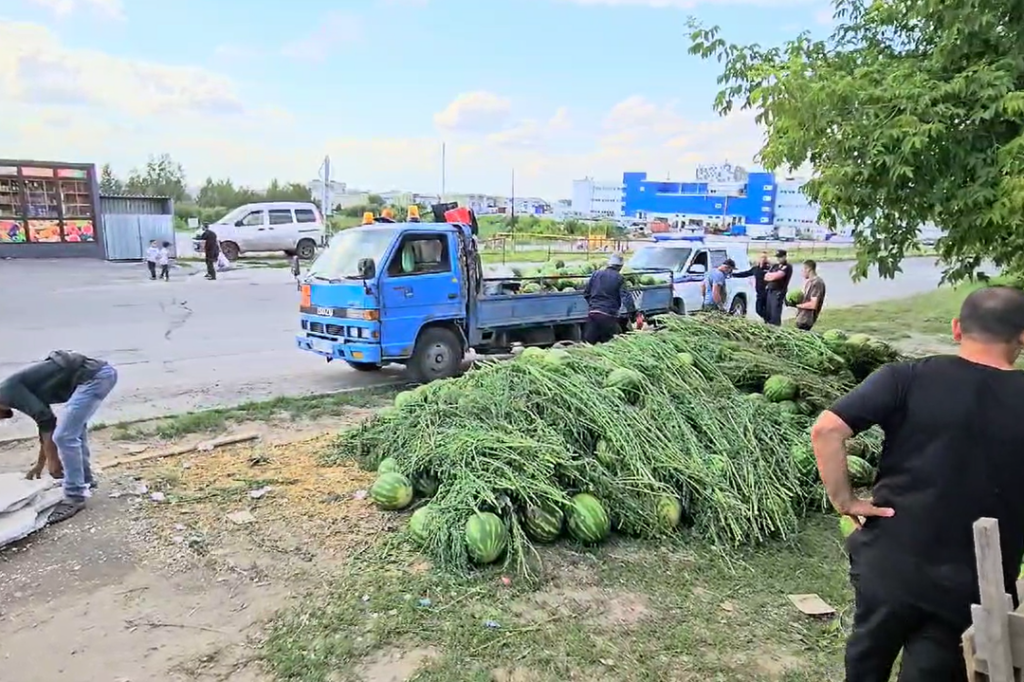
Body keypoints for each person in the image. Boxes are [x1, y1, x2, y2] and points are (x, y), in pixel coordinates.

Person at [810, 285, 1024, 682]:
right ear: (1022, 337)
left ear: (957, 328)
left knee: (866, 661)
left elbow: (826, 430)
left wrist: (846, 502)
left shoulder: (906, 376)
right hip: (973, 579)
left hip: (892, 559)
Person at [0, 351, 119, 524]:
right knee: (73, 432)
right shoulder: (8, 393)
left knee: (64, 436)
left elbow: (47, 421)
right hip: (96, 376)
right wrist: (41, 463)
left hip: (94, 377)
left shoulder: (6, 392)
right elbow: (44, 425)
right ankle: (85, 480)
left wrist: (53, 460)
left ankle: (74, 496)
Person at [583, 254, 635, 344]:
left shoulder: (595, 274)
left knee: (589, 344)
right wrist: (633, 313)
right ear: (620, 267)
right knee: (612, 344)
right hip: (609, 315)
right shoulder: (619, 278)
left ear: (609, 264)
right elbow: (626, 298)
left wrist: (593, 305)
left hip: (593, 314)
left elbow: (586, 293)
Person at [732, 251, 771, 321]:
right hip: (759, 293)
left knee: (767, 309)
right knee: (758, 310)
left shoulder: (769, 269)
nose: (763, 259)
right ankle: (767, 319)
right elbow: (745, 273)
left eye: (764, 258)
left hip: (768, 293)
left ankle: (769, 321)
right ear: (759, 259)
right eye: (762, 257)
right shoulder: (755, 269)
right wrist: (733, 275)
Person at [792, 260, 826, 331]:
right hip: (801, 317)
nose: (802, 272)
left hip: (806, 319)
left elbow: (813, 305)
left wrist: (796, 305)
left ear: (808, 269)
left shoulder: (817, 283)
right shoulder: (810, 282)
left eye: (803, 269)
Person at [763, 249, 793, 326]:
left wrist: (772, 276)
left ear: (785, 257)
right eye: (777, 257)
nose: (778, 259)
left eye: (780, 257)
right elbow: (766, 276)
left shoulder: (787, 267)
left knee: (775, 314)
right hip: (770, 291)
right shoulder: (775, 266)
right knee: (768, 313)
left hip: (778, 292)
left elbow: (777, 276)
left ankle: (775, 328)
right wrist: (771, 276)